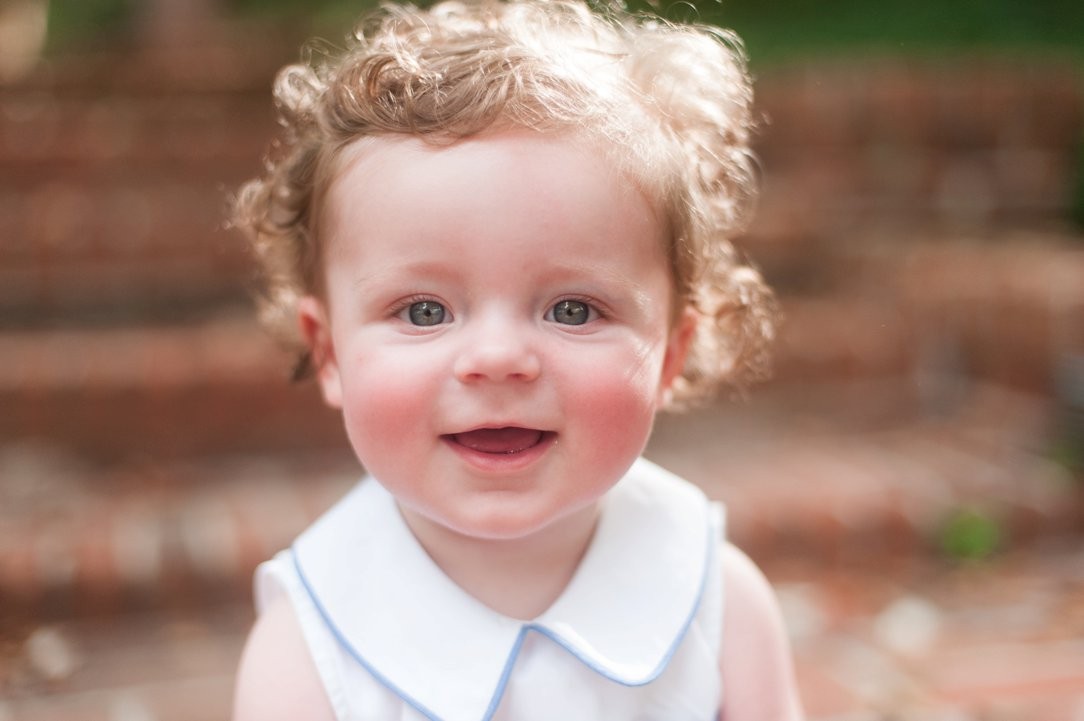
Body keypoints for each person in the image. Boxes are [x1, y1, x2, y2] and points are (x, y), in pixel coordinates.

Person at [230, 1, 803, 719]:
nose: (498, 359)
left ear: (670, 354)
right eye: (424, 311)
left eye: (572, 309)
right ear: (330, 352)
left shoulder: (717, 604)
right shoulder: (308, 652)